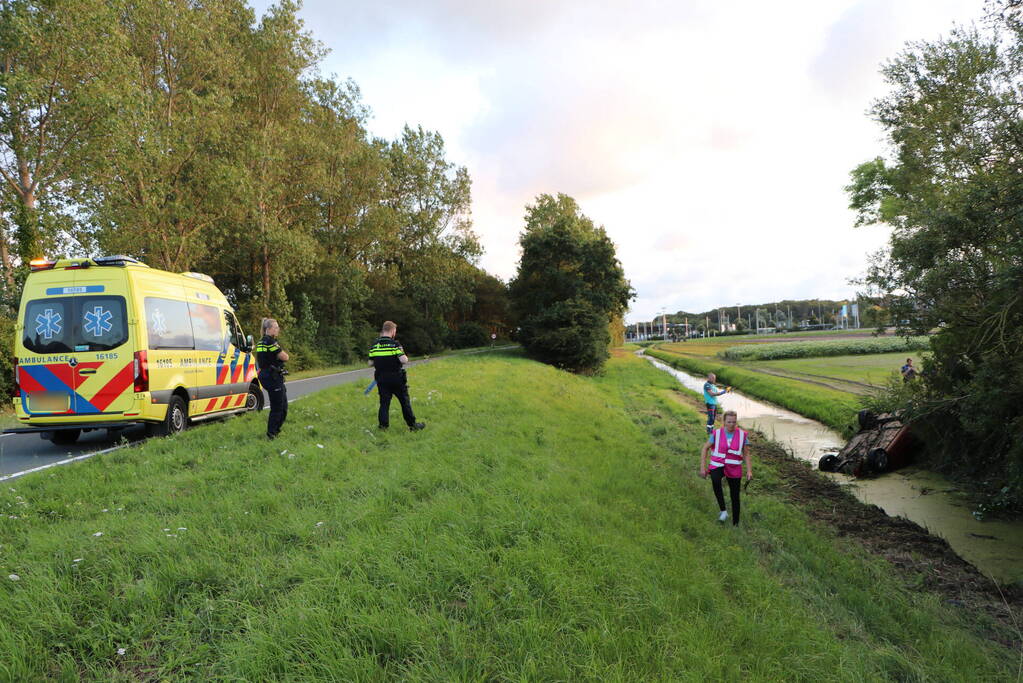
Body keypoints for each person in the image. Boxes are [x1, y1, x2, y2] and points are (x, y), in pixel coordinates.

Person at [369, 321, 425, 432]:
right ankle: (413, 425)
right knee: (404, 402)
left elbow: (370, 363)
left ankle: (383, 427)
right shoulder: (395, 344)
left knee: (384, 403)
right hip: (396, 378)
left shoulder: (374, 345)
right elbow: (403, 360)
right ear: (393, 331)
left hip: (381, 379)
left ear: (383, 330)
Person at [700, 410, 752, 527]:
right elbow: (705, 448)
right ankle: (723, 511)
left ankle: (735, 523)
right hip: (718, 464)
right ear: (724, 421)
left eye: (734, 422)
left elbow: (746, 454)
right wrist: (702, 468)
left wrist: (749, 470)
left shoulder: (742, 435)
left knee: (735, 495)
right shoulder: (716, 433)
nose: (731, 424)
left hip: (734, 467)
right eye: (729, 422)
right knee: (715, 480)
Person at [255, 318, 289, 439]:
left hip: (268, 376)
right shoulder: (270, 342)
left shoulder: (261, 342)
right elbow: (285, 357)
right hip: (272, 377)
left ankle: (276, 431)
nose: (278, 329)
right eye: (276, 327)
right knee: (278, 407)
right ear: (268, 329)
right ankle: (271, 434)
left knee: (283, 405)